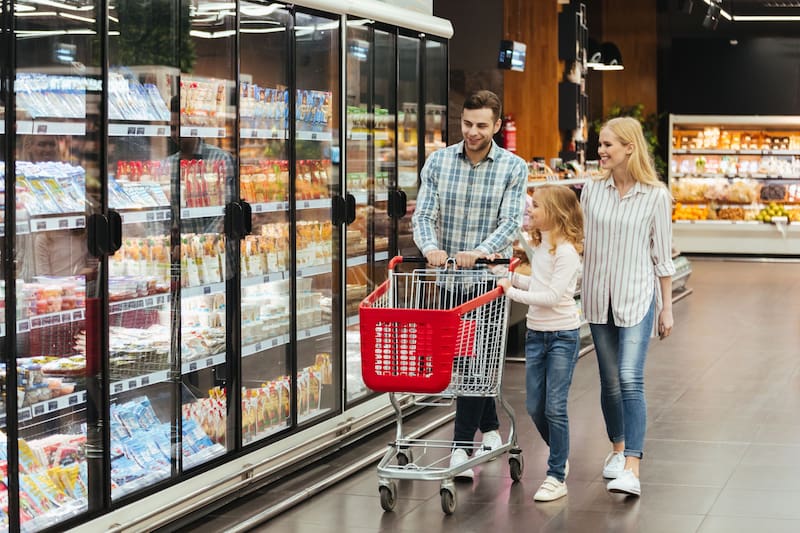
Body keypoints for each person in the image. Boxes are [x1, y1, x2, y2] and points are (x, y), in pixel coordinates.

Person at [411, 89, 528, 480]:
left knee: (479, 361)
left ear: (496, 125)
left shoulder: (513, 167)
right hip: (448, 280)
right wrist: (429, 247)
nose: (472, 132)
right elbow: (424, 214)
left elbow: (511, 223)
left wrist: (478, 252)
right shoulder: (439, 162)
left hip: (488, 280)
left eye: (481, 125)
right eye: (466, 124)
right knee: (466, 362)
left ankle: (461, 449)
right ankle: (492, 429)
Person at [581, 116, 675, 497]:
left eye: (607, 145)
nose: (600, 151)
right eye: (600, 145)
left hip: (637, 297)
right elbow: (581, 241)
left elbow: (662, 255)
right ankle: (617, 448)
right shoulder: (591, 190)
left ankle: (633, 466)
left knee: (630, 378)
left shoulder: (655, 195)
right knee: (609, 381)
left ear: (629, 148)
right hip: (596, 298)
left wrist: (667, 307)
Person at [495, 184, 583, 502]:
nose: (530, 210)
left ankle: (556, 474)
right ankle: (560, 453)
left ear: (556, 214)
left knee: (555, 407)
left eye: (537, 205)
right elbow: (540, 283)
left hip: (562, 336)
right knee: (535, 407)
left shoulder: (567, 252)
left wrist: (510, 292)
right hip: (536, 336)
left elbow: (552, 296)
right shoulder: (544, 247)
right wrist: (514, 278)